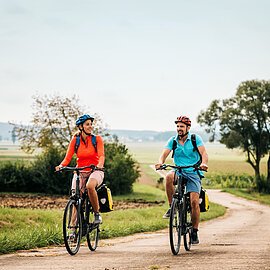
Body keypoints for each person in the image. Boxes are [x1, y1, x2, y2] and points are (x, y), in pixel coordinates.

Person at [155, 115, 208, 244]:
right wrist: (160, 162)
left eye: (182, 126)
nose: (179, 129)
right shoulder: (173, 141)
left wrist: (204, 163)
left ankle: (194, 231)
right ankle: (172, 207)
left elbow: (204, 154)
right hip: (179, 170)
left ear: (188, 128)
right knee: (168, 177)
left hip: (193, 172)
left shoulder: (195, 139)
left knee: (194, 202)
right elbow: (164, 154)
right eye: (178, 126)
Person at [55, 114, 105, 225]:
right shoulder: (75, 140)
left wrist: (100, 165)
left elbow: (101, 156)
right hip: (80, 171)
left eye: (91, 124)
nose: (90, 126)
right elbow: (67, 158)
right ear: (81, 127)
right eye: (87, 124)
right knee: (75, 198)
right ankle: (73, 230)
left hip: (96, 170)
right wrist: (61, 166)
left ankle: (97, 214)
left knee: (90, 186)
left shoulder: (97, 139)